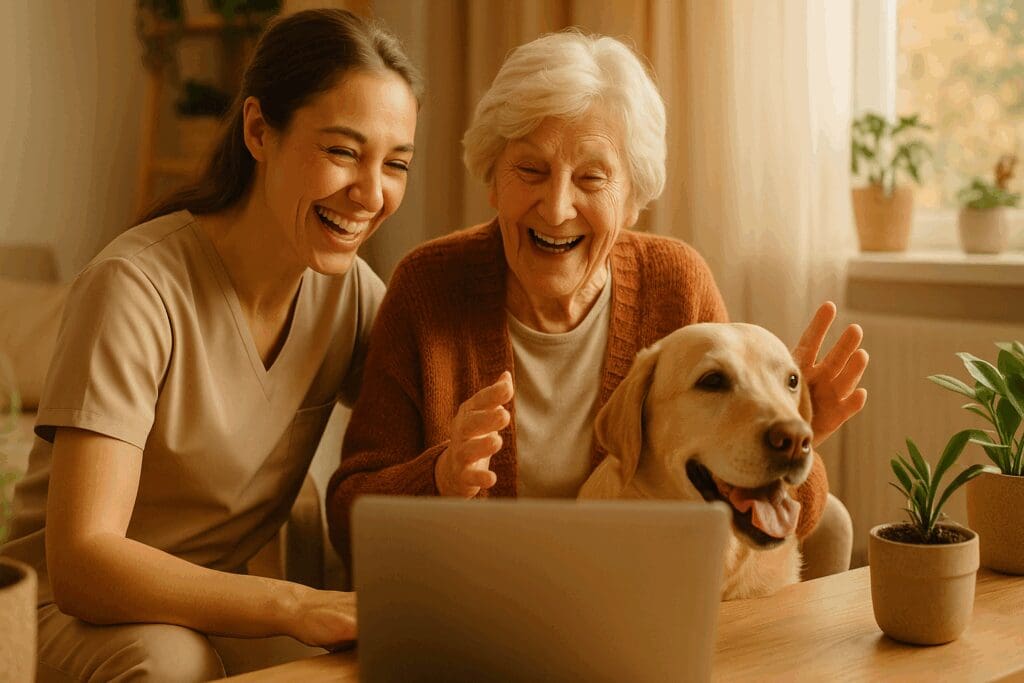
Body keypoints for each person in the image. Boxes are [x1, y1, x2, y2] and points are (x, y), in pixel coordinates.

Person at [325, 30, 868, 567]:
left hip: (640, 610)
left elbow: (771, 512)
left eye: (592, 177)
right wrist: (440, 477)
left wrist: (794, 431)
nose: (558, 207)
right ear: (492, 179)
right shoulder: (429, 287)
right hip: (481, 608)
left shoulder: (676, 284)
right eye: (531, 170)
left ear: (632, 200)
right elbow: (350, 518)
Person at [0, 9, 420, 681]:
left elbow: (427, 409)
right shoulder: (133, 288)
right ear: (259, 129)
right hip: (58, 611)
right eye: (343, 150)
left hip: (208, 609)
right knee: (172, 661)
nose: (370, 192)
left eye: (395, 163)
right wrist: (293, 603)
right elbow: (82, 560)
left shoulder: (351, 296)